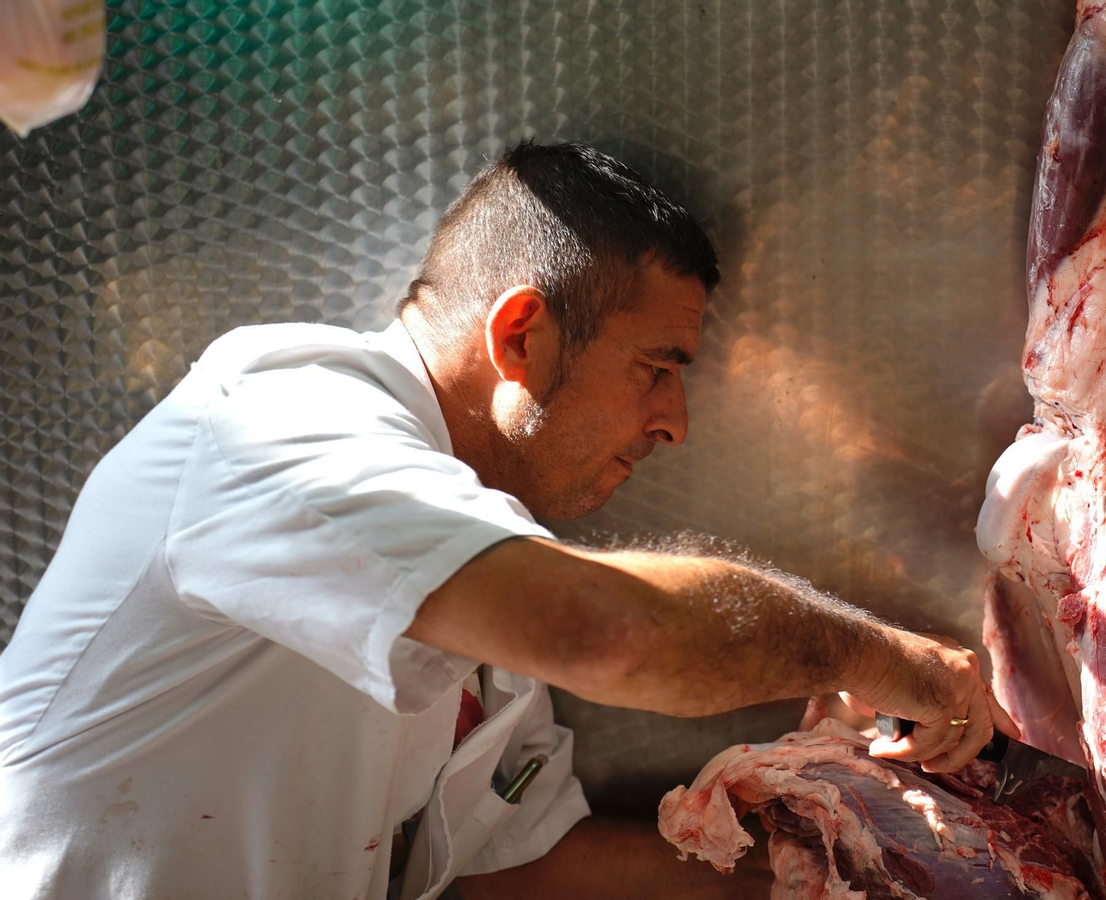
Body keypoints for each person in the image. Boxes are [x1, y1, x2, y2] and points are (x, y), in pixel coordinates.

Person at [0, 141, 1015, 899]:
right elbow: (613, 633)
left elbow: (523, 870)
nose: (674, 423)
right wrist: (884, 659)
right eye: (655, 369)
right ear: (521, 333)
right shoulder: (276, 425)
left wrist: (845, 868)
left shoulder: (479, 567)